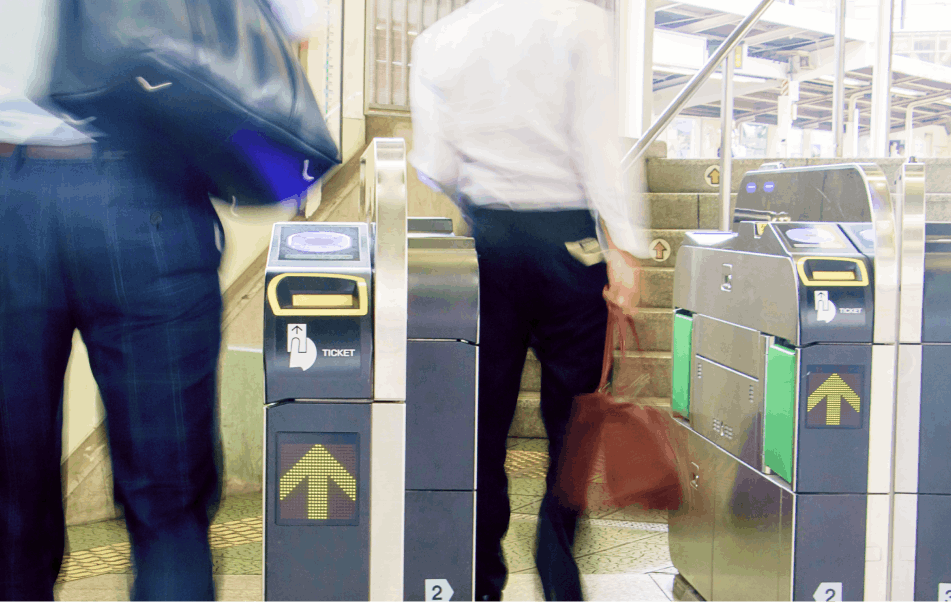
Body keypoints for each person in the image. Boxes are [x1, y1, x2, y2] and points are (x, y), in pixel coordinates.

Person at [0, 1, 320, 600]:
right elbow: (291, 26)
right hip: (147, 198)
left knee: (9, 501)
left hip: (8, 195)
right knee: (168, 500)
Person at [408, 1, 648, 601]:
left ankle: (483, 576)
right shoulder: (582, 21)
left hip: (486, 246)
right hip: (570, 246)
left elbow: (434, 164)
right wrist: (627, 249)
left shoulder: (439, 38)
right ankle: (556, 549)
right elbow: (598, 144)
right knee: (575, 413)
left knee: (484, 422)